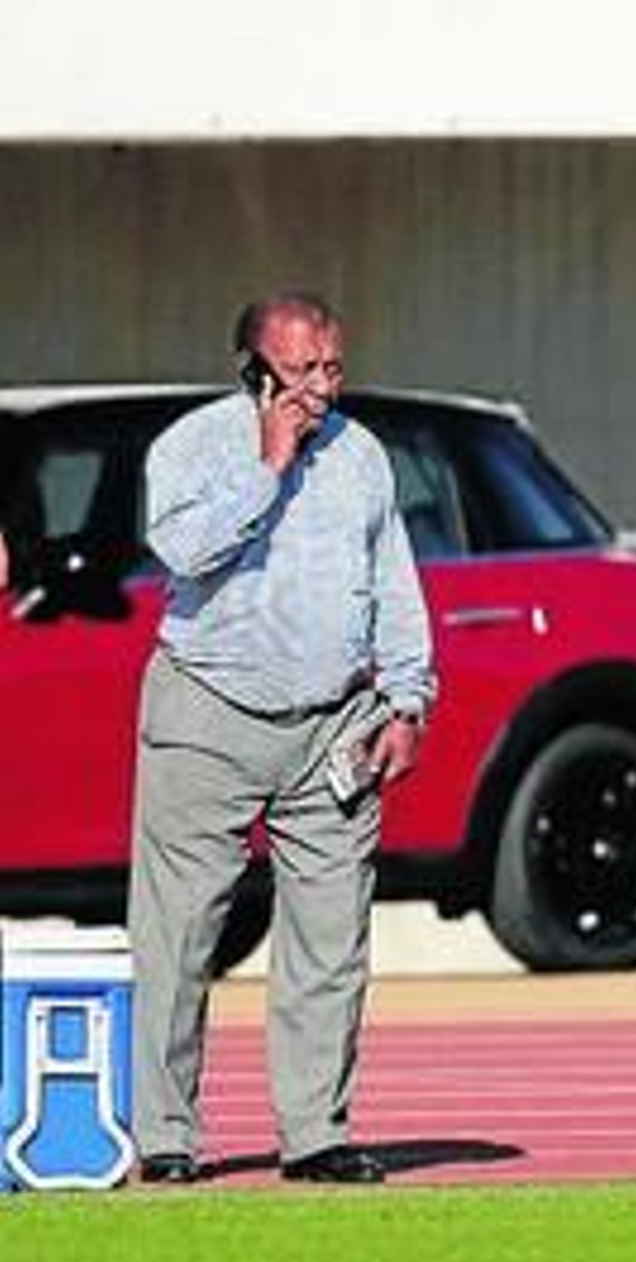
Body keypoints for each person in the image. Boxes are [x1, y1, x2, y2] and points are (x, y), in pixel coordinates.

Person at [130, 291, 436, 1186]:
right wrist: (267, 466)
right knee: (178, 934)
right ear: (256, 372)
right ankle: (167, 1135)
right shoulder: (190, 447)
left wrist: (409, 700)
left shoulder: (363, 457)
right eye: (301, 372)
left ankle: (316, 1133)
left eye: (331, 368)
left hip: (330, 725)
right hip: (207, 714)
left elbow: (396, 585)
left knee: (332, 937)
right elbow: (181, 554)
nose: (320, 390)